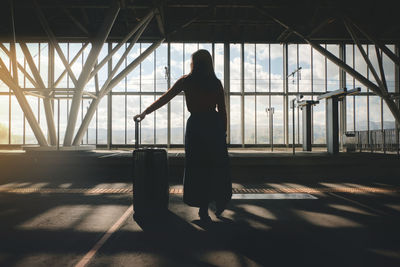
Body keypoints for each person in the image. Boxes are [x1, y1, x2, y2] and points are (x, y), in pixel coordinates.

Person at [134, 49, 231, 223]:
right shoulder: (215, 82)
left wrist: (145, 112)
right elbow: (222, 110)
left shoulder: (187, 81)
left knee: (197, 168)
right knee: (216, 166)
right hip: (214, 127)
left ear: (193, 63)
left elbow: (165, 98)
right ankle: (220, 200)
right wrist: (223, 132)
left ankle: (203, 208)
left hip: (196, 127)